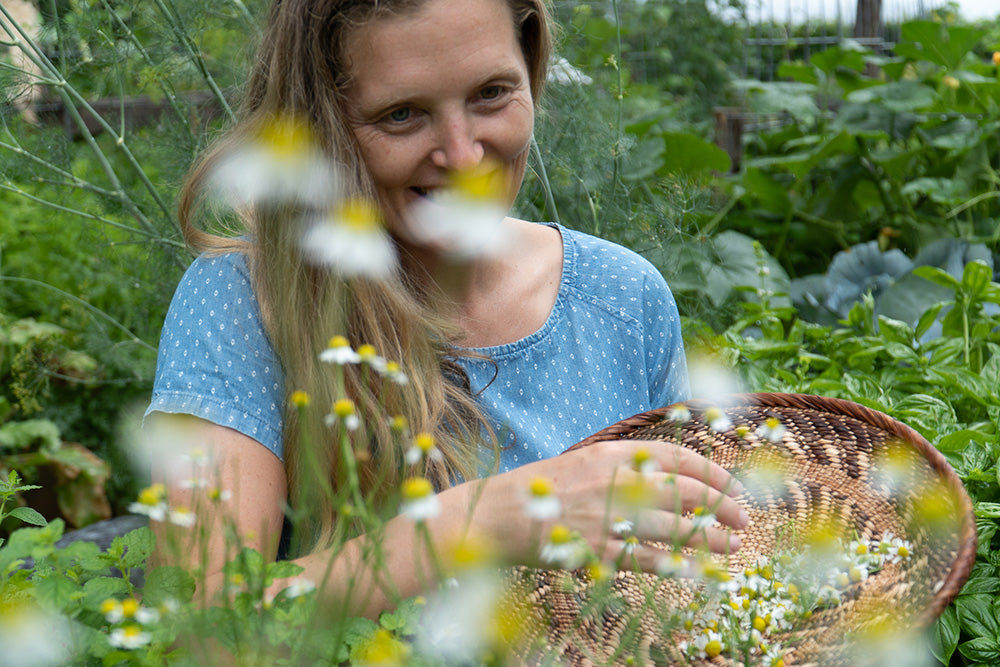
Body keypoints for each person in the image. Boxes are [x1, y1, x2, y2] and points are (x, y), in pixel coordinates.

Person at [145, 0, 748, 620]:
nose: (463, 158)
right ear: (320, 127)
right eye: (401, 115)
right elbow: (203, 629)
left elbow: (681, 590)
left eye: (491, 93)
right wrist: (482, 523)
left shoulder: (622, 299)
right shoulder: (248, 303)